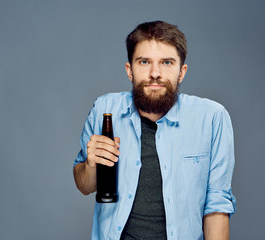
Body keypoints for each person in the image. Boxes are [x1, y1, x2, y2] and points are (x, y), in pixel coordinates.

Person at [73, 20, 236, 240]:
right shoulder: (104, 110)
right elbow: (84, 185)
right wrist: (92, 165)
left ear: (182, 72)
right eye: (144, 62)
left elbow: (217, 205)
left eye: (167, 62)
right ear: (129, 70)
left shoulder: (212, 118)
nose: (155, 73)